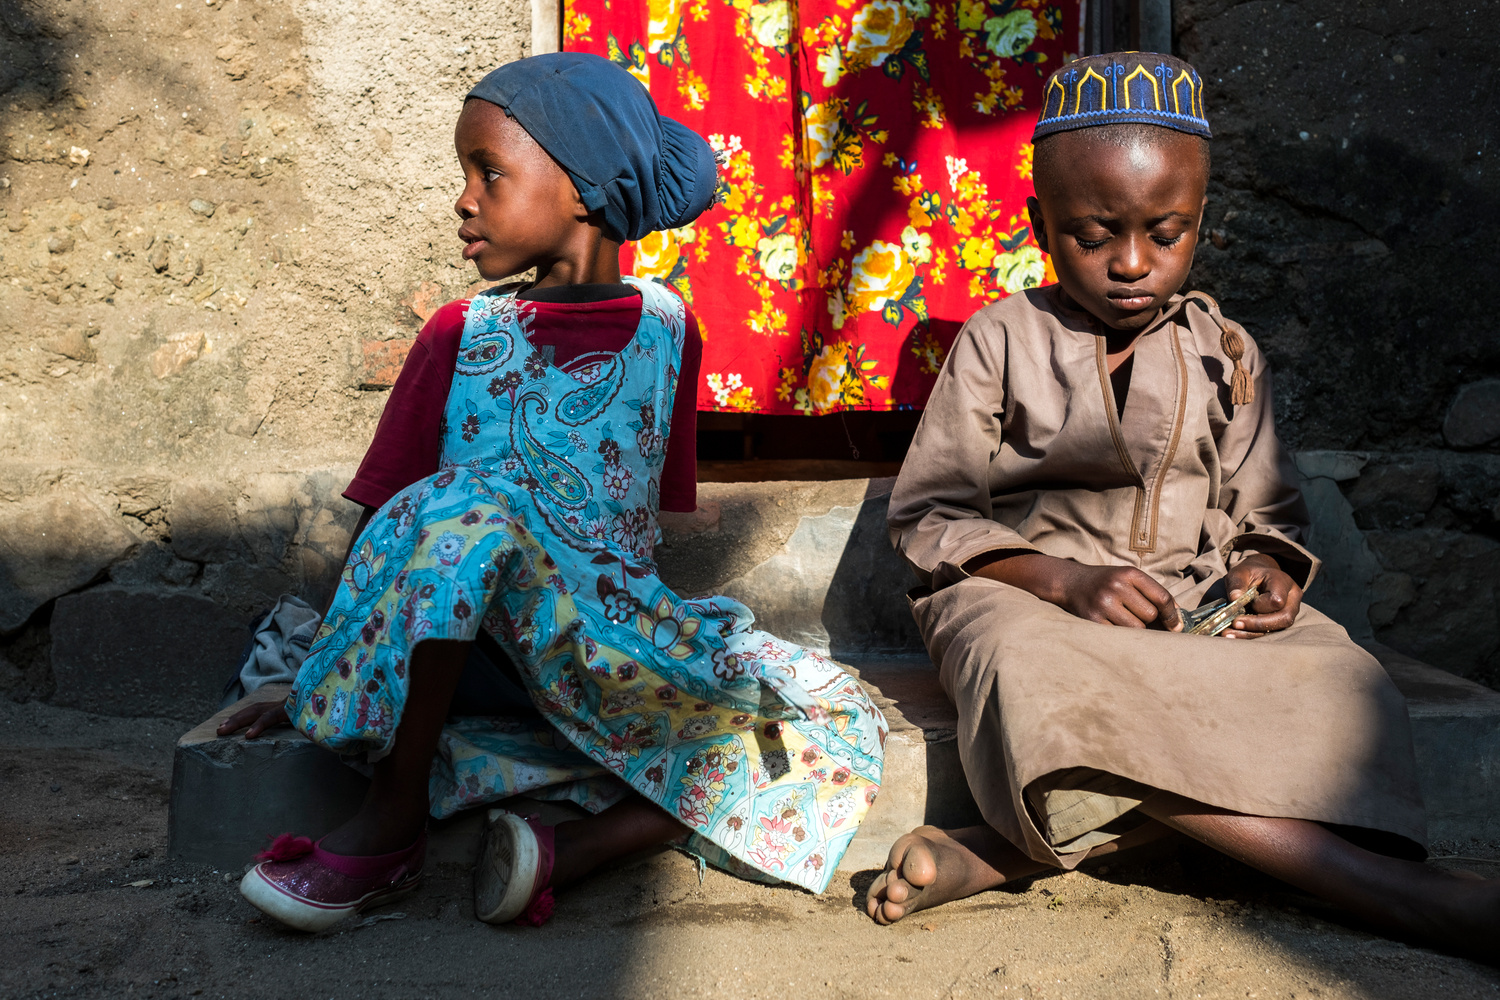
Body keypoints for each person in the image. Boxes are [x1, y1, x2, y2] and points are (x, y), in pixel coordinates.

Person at [219, 52, 887, 932]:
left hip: (597, 650)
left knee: (825, 724)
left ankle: (563, 853)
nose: (463, 199)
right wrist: (324, 670)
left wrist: (661, 666)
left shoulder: (671, 328)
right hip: (461, 660)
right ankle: (392, 821)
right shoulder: (463, 333)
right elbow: (391, 519)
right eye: (466, 175)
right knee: (466, 511)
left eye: (487, 173)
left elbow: (635, 531)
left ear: (581, 188)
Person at [870, 51, 1500, 959]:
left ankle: (997, 858)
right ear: (1039, 222)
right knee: (1031, 677)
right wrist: (1061, 579)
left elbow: (1267, 507)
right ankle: (1401, 895)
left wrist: (1267, 568)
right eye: (1093, 235)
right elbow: (928, 514)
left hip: (1192, 599)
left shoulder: (1227, 351)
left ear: (1201, 222)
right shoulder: (1001, 339)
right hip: (1022, 598)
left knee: (1344, 684)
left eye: (1165, 234)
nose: (1132, 264)